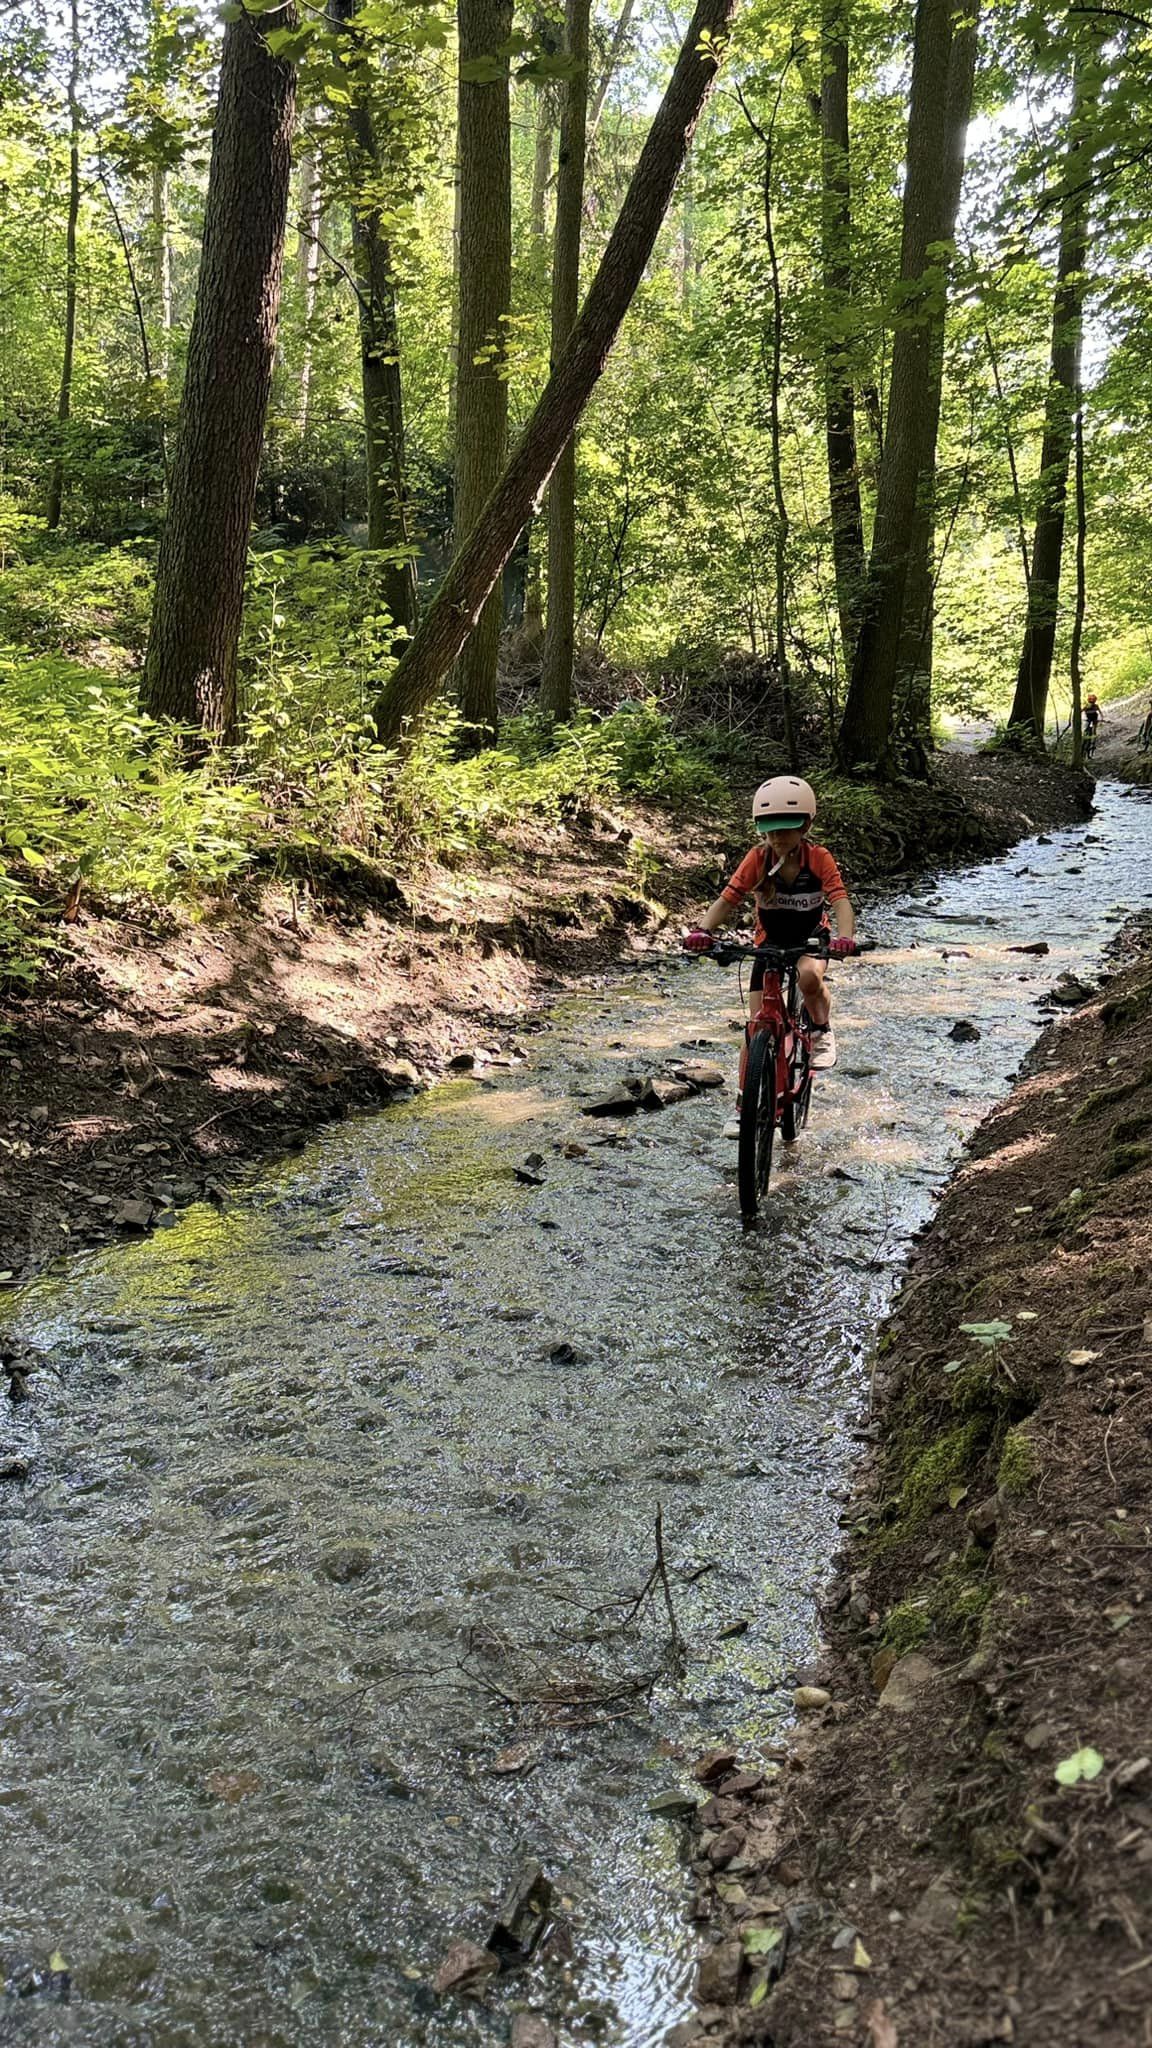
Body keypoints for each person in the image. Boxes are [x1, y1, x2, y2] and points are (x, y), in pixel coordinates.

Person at [682, 775, 857, 1138]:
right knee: (756, 1027)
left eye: (786, 829)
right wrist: (703, 931)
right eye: (770, 830)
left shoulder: (818, 858)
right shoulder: (757, 859)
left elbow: (840, 900)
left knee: (809, 977)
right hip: (770, 941)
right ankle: (744, 1107)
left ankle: (821, 1030)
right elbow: (728, 899)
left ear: (805, 826)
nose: (778, 838)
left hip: (810, 937)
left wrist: (845, 938)